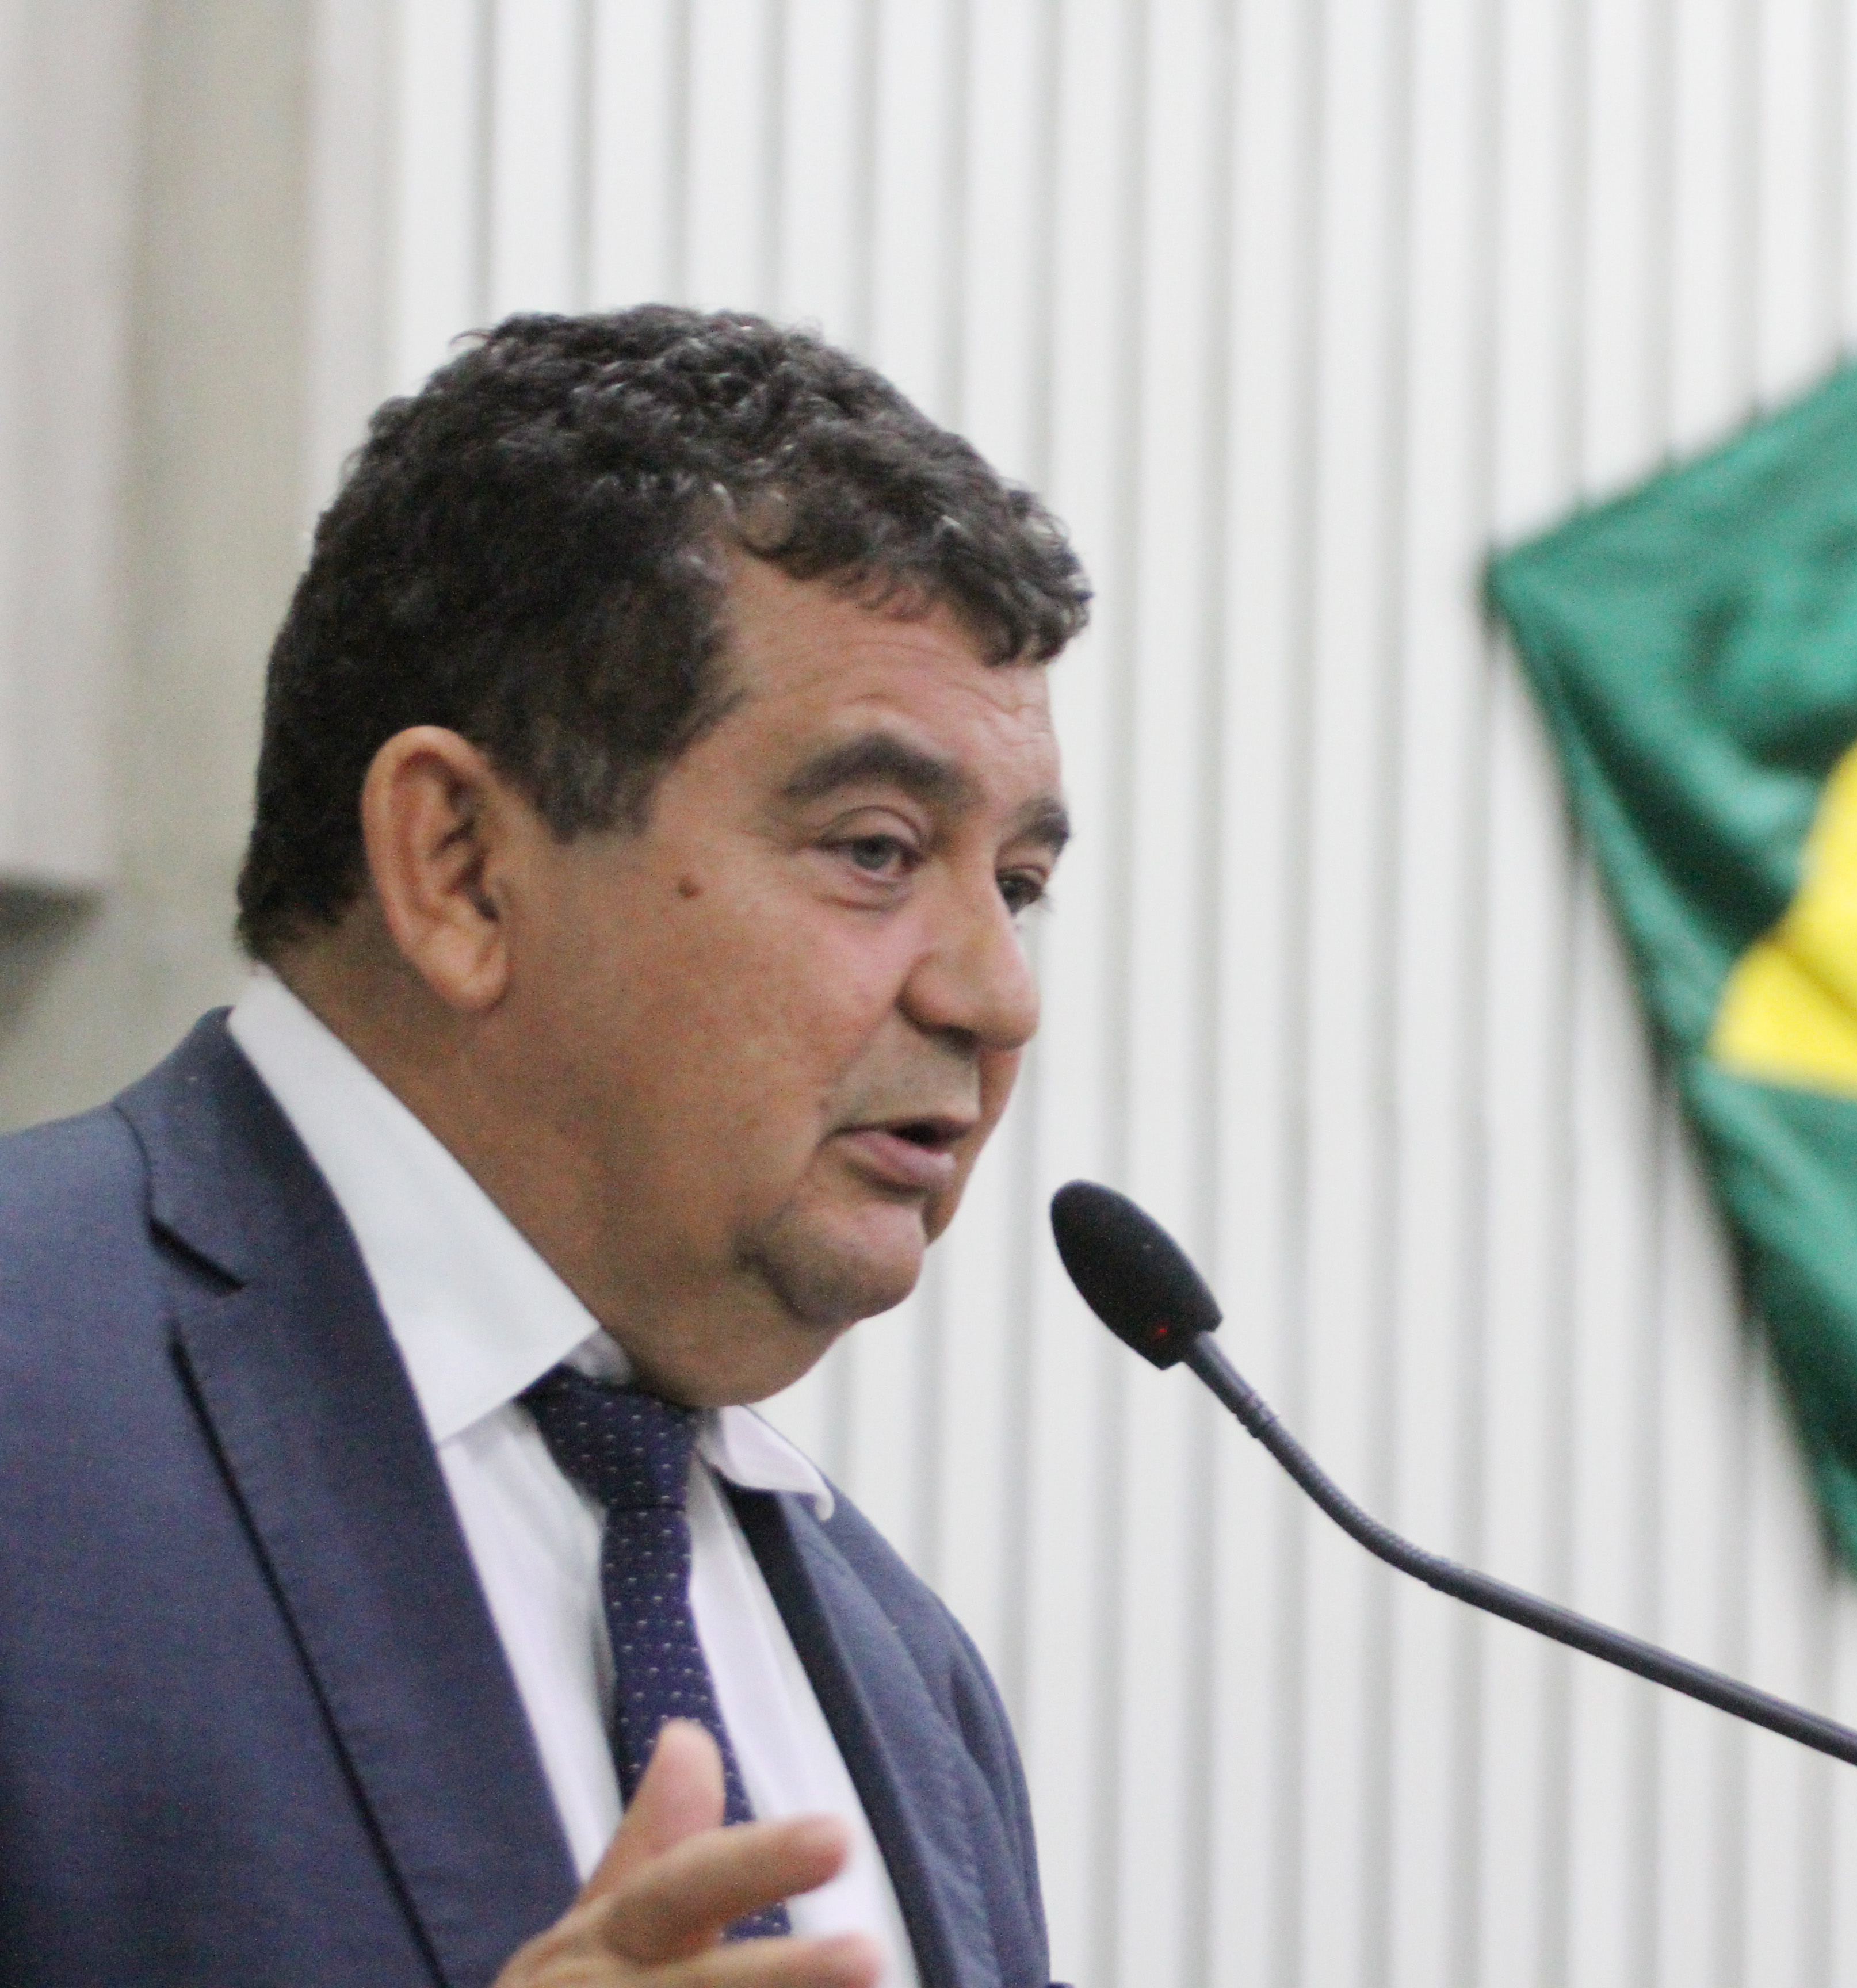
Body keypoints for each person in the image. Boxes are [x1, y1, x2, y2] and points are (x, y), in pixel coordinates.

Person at [0, 307, 1087, 1987]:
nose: (997, 994)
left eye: (1017, 887)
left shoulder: (905, 1672)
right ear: (459, 866)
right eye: (876, 849)